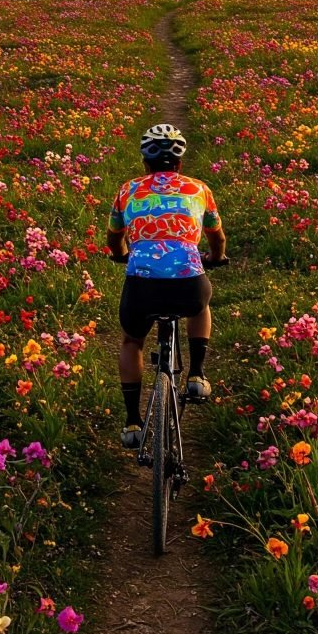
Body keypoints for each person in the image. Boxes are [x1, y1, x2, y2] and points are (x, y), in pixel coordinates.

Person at [106, 123, 227, 448]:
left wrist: (120, 255)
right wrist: (216, 257)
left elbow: (114, 238)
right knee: (200, 305)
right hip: (188, 285)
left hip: (141, 287)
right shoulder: (199, 189)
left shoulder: (128, 189)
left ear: (145, 163)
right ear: (180, 163)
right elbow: (217, 237)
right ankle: (196, 375)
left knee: (132, 341)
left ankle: (132, 423)